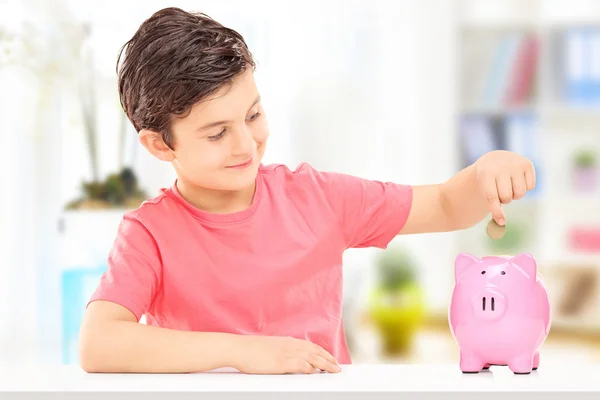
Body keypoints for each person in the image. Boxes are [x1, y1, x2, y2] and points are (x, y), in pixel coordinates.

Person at [78, 7, 536, 375]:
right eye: (217, 133)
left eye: (253, 115)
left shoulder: (316, 198)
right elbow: (99, 343)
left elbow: (442, 205)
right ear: (160, 144)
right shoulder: (149, 233)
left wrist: (484, 172)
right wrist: (245, 353)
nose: (245, 144)